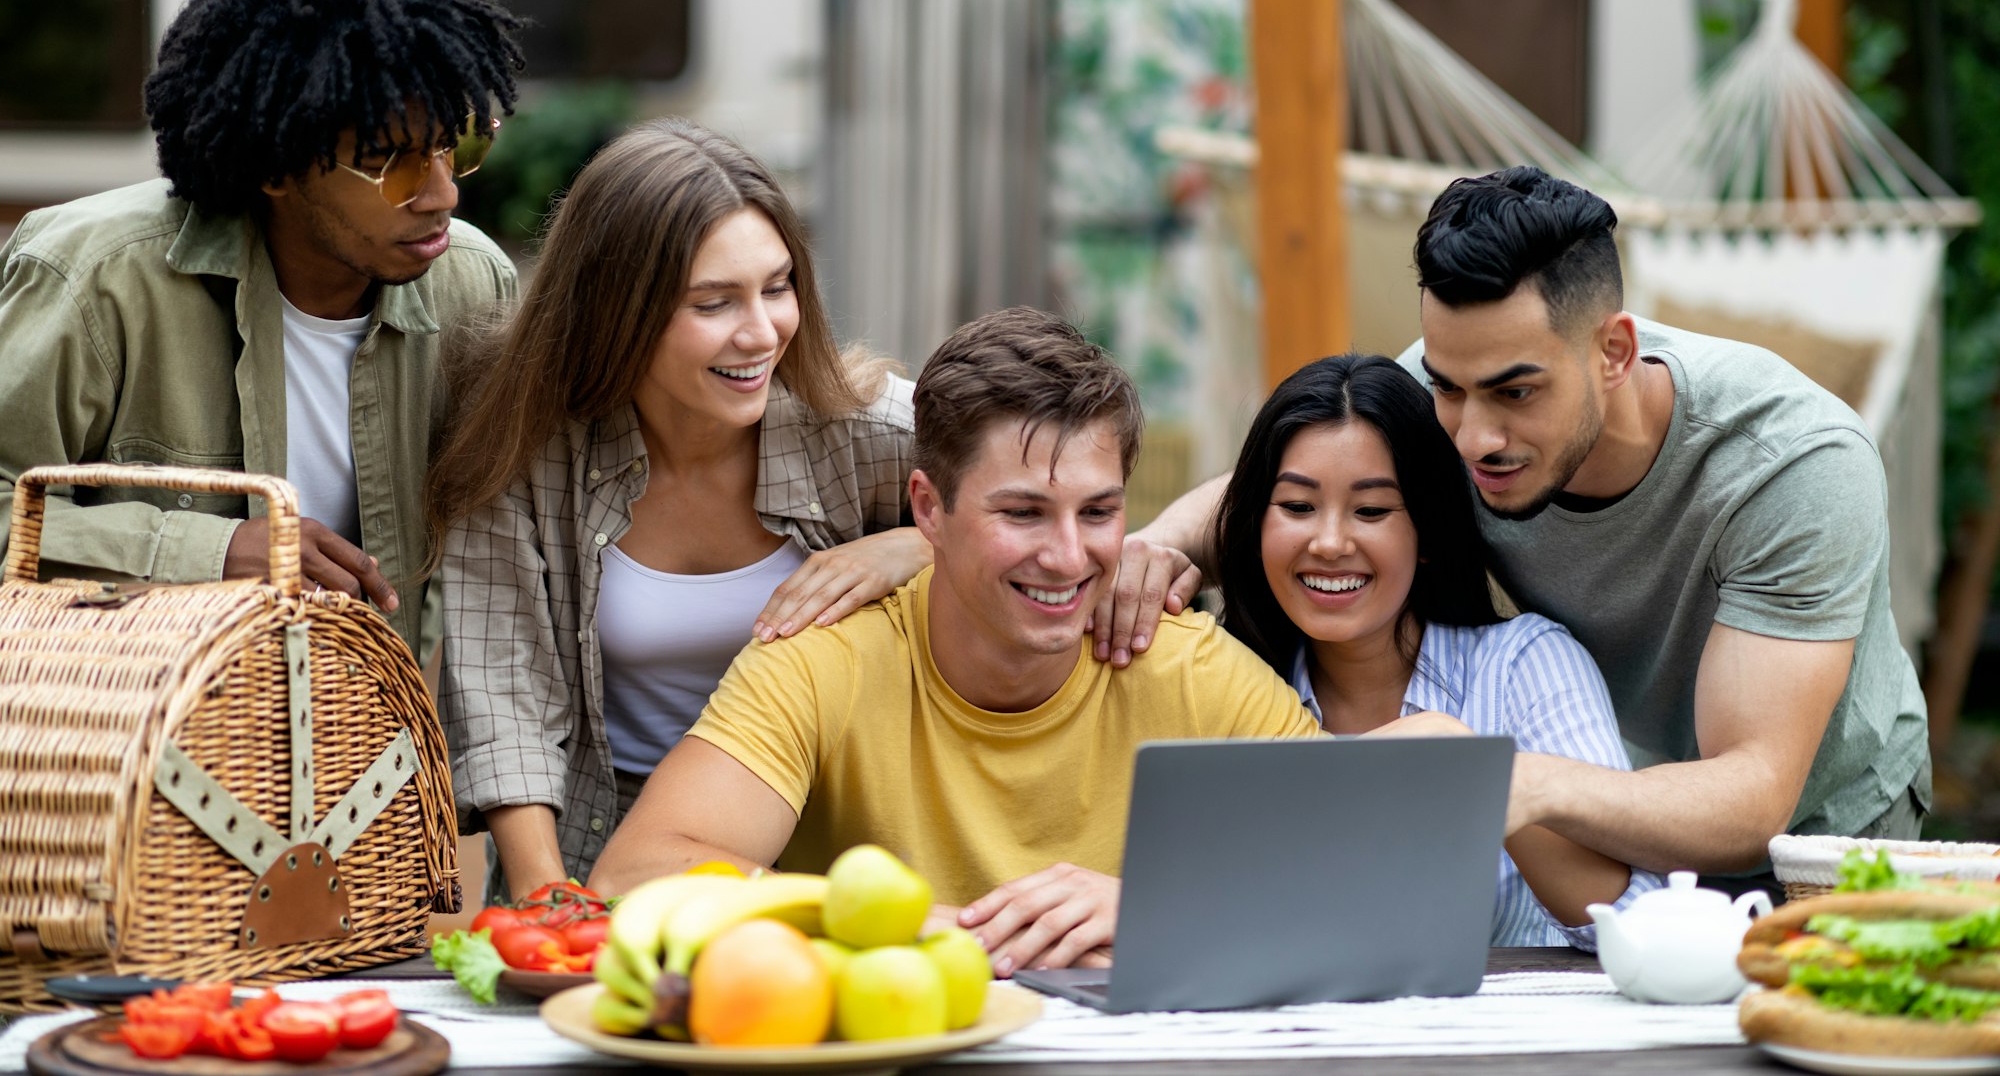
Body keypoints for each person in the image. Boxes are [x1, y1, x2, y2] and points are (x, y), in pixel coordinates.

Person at [1139, 167, 1930, 882]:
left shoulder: (1791, 466)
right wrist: (1154, 549)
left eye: (1515, 393)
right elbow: (1295, 490)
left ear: (1615, 351)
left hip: (1825, 849)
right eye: (1448, 387)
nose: (1474, 436)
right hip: (1611, 834)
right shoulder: (1450, 399)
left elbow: (1752, 799)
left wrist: (1507, 778)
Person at [588, 306, 1321, 974]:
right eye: (1024, 513)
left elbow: (1362, 869)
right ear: (928, 509)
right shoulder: (824, 661)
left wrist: (1157, 905)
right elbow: (634, 873)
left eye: (1097, 512)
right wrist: (907, 926)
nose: (1069, 556)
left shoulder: (1181, 662)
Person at [428, 119, 932, 901]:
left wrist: (919, 546)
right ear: (618, 310)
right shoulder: (526, 445)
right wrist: (548, 900)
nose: (761, 332)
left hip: (830, 857)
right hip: (602, 850)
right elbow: (504, 690)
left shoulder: (867, 431)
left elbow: (1030, 519)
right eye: (713, 302)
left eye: (777, 286)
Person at [0, 0, 523, 663]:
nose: (442, 195)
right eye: (395, 164)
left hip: (380, 758)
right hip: (134, 749)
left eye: (458, 145)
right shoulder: (97, 278)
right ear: (276, 166)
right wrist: (211, 552)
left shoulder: (471, 282)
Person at [1214, 352, 1658, 947]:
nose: (1328, 543)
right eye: (1297, 507)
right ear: (1257, 524)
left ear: (1425, 532)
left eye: (1371, 511)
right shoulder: (1219, 680)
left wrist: (1481, 776)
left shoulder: (1524, 666)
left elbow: (1643, 922)